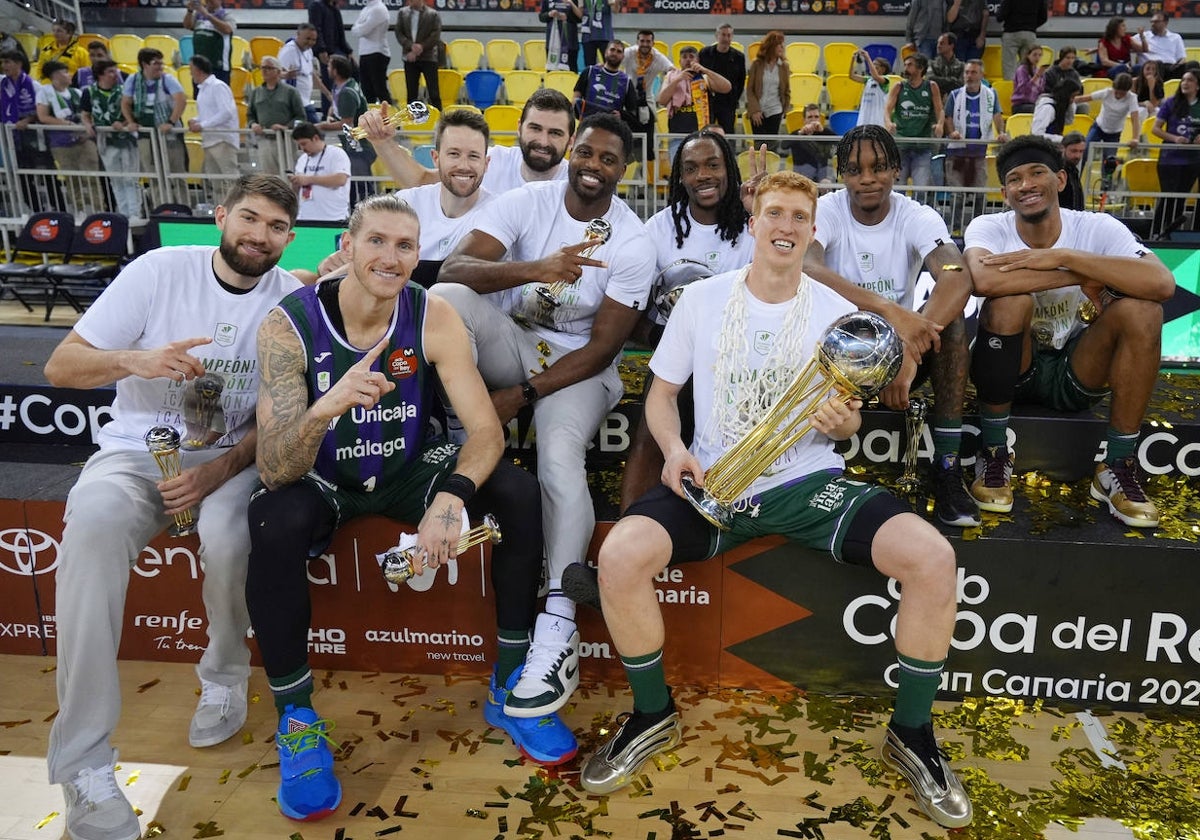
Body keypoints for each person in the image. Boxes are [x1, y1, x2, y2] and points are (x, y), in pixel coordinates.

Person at [578, 169, 972, 832]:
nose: (786, 226)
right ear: (754, 223)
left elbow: (850, 422)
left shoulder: (835, 315)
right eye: (775, 214)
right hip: (714, 486)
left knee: (932, 558)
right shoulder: (701, 300)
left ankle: (913, 736)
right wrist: (675, 452)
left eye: (799, 217)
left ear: (813, 231)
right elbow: (661, 397)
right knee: (620, 555)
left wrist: (842, 424)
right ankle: (652, 716)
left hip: (805, 485)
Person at [245, 192, 574, 822]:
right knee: (272, 517)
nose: (390, 258)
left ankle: (510, 685)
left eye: (405, 246)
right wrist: (326, 406)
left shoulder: (433, 314)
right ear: (345, 246)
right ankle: (297, 717)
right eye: (376, 241)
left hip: (406, 469)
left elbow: (485, 432)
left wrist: (451, 498)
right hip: (325, 476)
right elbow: (277, 467)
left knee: (515, 490)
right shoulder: (288, 325)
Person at [43, 174, 302, 840]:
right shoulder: (159, 270)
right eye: (249, 218)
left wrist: (217, 469)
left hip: (228, 465)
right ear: (221, 216)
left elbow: (277, 426)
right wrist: (138, 360)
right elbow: (61, 367)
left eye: (276, 227)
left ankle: (223, 675)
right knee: (91, 526)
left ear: (290, 237)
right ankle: (83, 763)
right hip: (134, 455)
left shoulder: (291, 299)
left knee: (231, 533)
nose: (259, 235)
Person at [437, 113, 656, 721]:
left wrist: (522, 396)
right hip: (513, 339)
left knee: (560, 460)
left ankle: (559, 621)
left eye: (608, 159)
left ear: (622, 170)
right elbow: (453, 270)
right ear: (572, 152)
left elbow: (603, 349)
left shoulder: (632, 241)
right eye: (585, 152)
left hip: (578, 370)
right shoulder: (525, 201)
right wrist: (536, 267)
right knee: (445, 302)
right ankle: (456, 431)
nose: (592, 165)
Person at [966, 135, 1173, 527]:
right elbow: (981, 280)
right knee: (1010, 303)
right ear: (1004, 192)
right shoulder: (989, 225)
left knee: (1143, 312)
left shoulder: (1096, 227)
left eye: (1037, 173)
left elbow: (1161, 284)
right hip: (1013, 370)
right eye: (1014, 179)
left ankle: (1117, 465)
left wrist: (1063, 255)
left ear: (1060, 180)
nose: (1025, 185)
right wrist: (1077, 273)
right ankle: (993, 451)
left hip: (1076, 370)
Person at [803, 125, 978, 527]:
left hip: (897, 358)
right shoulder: (826, 210)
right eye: (854, 170)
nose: (867, 178)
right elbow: (807, 266)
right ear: (842, 175)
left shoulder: (916, 215)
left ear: (896, 170)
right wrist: (889, 310)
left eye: (878, 167)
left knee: (951, 329)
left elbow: (956, 276)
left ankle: (947, 466)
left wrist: (907, 349)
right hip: (833, 360)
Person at [616, 129, 754, 513]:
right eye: (691, 168)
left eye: (713, 164)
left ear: (729, 168)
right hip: (675, 358)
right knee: (650, 432)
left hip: (739, 358)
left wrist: (761, 211)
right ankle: (629, 531)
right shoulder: (658, 230)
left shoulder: (752, 225)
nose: (703, 176)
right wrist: (665, 337)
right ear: (680, 178)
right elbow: (631, 309)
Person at [351, 108, 495, 285]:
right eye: (454, 154)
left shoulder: (497, 213)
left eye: (473, 156)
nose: (463, 165)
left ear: (486, 164)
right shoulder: (407, 204)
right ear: (435, 158)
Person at [361, 88, 574, 195]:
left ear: (571, 139)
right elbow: (420, 181)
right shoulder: (495, 160)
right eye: (535, 128)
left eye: (555, 133)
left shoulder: (577, 185)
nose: (542, 141)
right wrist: (382, 142)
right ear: (519, 127)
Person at [943, 59, 1008, 226]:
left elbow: (997, 115)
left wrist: (1001, 132)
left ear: (981, 74)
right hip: (956, 153)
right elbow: (948, 117)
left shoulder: (990, 94)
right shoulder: (955, 94)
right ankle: (955, 228)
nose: (969, 76)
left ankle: (979, 227)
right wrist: (952, 132)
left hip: (978, 153)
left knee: (980, 194)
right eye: (967, 72)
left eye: (973, 72)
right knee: (957, 195)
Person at [121, 47, 187, 207]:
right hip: (146, 137)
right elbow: (125, 102)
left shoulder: (168, 80)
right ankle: (161, 208)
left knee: (177, 174)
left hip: (169, 136)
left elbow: (181, 100)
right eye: (156, 63)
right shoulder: (132, 80)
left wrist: (170, 122)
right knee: (154, 175)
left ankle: (184, 208)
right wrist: (130, 121)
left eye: (161, 62)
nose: (160, 66)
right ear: (144, 64)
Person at [2, 48, 62, 213]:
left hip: (36, 138)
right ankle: (37, 211)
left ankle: (59, 209)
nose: (4, 65)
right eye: (3, 62)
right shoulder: (3, 84)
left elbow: (42, 110)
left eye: (8, 62)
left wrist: (27, 120)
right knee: (23, 177)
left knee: (48, 175)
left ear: (19, 64)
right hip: (13, 139)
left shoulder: (33, 85)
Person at [81, 58, 142, 219]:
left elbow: (134, 113)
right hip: (105, 141)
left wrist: (123, 123)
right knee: (116, 179)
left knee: (130, 178)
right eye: (111, 71)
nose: (116, 74)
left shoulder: (124, 91)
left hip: (126, 140)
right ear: (100, 75)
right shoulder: (89, 92)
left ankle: (135, 213)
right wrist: (87, 124)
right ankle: (123, 213)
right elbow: (85, 113)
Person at [1150, 69, 1200, 238]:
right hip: (1170, 159)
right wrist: (1175, 138)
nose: (1185, 83)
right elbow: (1155, 129)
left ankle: (1172, 234)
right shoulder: (1171, 102)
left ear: (1198, 85)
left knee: (1180, 200)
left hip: (1192, 160)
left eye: (1190, 80)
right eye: (1183, 80)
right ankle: (1155, 233)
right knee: (1167, 198)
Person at [658, 46, 731, 159]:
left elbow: (727, 87)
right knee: (679, 173)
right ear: (679, 61)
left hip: (704, 136)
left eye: (691, 57)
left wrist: (705, 70)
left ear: (697, 60)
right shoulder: (671, 77)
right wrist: (678, 80)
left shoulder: (705, 78)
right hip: (678, 136)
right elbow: (662, 100)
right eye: (684, 57)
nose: (688, 60)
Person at [320, 53, 375, 205]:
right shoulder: (343, 86)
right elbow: (336, 105)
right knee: (355, 187)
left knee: (361, 189)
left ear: (336, 71)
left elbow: (346, 123)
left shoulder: (347, 93)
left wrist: (322, 126)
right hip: (352, 147)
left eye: (330, 66)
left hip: (358, 148)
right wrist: (331, 114)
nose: (327, 69)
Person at [885, 53, 944, 192]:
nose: (906, 68)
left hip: (922, 144)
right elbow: (887, 109)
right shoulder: (899, 86)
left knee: (921, 188)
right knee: (898, 188)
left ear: (920, 68)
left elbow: (940, 110)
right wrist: (888, 122)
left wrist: (940, 124)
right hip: (901, 144)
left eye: (910, 65)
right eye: (905, 65)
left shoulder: (931, 86)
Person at [36, 59, 101, 181]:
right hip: (61, 142)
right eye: (66, 72)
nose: (70, 75)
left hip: (83, 140)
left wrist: (86, 133)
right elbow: (43, 117)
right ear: (55, 75)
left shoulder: (77, 92)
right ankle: (78, 201)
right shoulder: (44, 92)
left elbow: (88, 115)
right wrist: (67, 124)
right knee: (73, 180)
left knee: (93, 178)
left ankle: (97, 201)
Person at [247, 55, 308, 177]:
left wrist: (286, 127)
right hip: (264, 140)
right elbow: (250, 115)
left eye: (269, 68)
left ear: (279, 72)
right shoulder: (256, 93)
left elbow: (301, 117)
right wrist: (253, 124)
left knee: (288, 175)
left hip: (285, 140)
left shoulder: (291, 92)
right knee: (269, 178)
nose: (264, 71)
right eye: (262, 67)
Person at [621, 30, 673, 160]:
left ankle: (647, 158)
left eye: (648, 41)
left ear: (653, 43)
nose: (645, 44)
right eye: (642, 41)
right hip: (627, 95)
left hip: (647, 96)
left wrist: (665, 86)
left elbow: (672, 70)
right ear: (637, 42)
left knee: (650, 130)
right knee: (625, 128)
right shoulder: (629, 52)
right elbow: (613, 62)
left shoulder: (658, 57)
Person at [188, 55, 241, 177]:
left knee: (231, 179)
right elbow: (208, 114)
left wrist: (202, 125)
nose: (190, 73)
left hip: (222, 140)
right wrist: (195, 120)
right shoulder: (203, 90)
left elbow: (226, 113)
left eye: (191, 69)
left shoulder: (218, 86)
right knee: (216, 183)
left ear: (198, 70)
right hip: (210, 140)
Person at [290, 121, 351, 222]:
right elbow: (298, 189)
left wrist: (308, 180)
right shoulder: (303, 159)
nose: (302, 148)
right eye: (299, 145)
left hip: (333, 218)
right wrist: (296, 182)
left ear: (315, 138)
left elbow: (340, 180)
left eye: (304, 144)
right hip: (305, 217)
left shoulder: (336, 154)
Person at [574, 39, 638, 129]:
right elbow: (576, 98)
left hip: (611, 130)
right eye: (612, 50)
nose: (615, 53)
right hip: (587, 127)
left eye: (619, 51)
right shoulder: (590, 71)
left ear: (623, 57)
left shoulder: (626, 81)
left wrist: (621, 116)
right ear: (605, 53)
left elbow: (632, 112)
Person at [1074, 71, 1141, 154]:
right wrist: (1069, 99)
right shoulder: (1107, 92)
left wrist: (1135, 138)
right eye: (1116, 92)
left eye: (1122, 93)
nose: (1118, 95)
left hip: (1114, 133)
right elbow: (1084, 98)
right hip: (1098, 127)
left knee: (1109, 161)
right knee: (1085, 150)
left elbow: (1135, 118)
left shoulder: (1132, 98)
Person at [698, 24, 745, 136]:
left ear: (732, 37)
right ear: (716, 36)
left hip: (728, 103)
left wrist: (733, 99)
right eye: (723, 35)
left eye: (729, 35)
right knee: (705, 134)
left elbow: (741, 81)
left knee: (728, 134)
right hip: (707, 102)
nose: (726, 38)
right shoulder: (704, 53)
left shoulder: (739, 57)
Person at [746, 31, 790, 148]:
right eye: (779, 44)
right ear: (771, 46)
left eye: (782, 44)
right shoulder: (757, 64)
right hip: (758, 112)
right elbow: (750, 89)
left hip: (775, 110)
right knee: (759, 146)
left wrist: (784, 110)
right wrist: (755, 110)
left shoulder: (784, 66)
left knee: (771, 147)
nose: (782, 47)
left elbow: (787, 90)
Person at [397, 0, 442, 110]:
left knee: (433, 92)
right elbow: (399, 33)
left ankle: (439, 119)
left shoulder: (433, 14)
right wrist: (410, 46)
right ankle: (411, 120)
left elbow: (435, 35)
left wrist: (421, 47)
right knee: (411, 92)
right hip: (410, 58)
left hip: (429, 57)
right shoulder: (402, 13)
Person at [308, 0, 353, 110]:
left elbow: (340, 33)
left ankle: (344, 111)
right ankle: (329, 113)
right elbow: (316, 28)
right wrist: (321, 50)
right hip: (327, 52)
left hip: (338, 50)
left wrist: (348, 51)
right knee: (330, 82)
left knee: (353, 74)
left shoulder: (334, 9)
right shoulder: (317, 6)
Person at [279, 22, 326, 123]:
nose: (310, 42)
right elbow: (277, 74)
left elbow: (312, 75)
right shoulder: (289, 51)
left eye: (313, 40)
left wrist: (328, 94)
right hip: (295, 103)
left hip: (305, 101)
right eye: (307, 39)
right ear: (298, 35)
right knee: (317, 131)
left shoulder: (308, 51)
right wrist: (286, 75)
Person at [184, 0, 236, 86]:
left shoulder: (226, 15)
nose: (209, 1)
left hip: (218, 67)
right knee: (199, 97)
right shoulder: (198, 15)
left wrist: (207, 15)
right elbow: (187, 25)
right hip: (199, 67)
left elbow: (228, 29)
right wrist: (189, 11)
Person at [782, 103, 836, 183]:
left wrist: (823, 131)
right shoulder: (797, 133)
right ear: (804, 120)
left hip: (822, 174)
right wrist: (800, 133)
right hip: (802, 176)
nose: (813, 120)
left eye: (816, 117)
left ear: (819, 119)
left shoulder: (825, 132)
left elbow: (839, 143)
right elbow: (783, 145)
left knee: (827, 183)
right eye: (810, 117)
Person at [997, 0, 1048, 80]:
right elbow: (1044, 17)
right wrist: (1032, 25)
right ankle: (1026, 86)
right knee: (1027, 65)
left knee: (1009, 66)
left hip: (1011, 32)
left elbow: (1000, 17)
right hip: (1029, 33)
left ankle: (1011, 88)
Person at [352, 0, 392, 105]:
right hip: (364, 52)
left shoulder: (379, 9)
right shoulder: (366, 9)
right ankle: (370, 116)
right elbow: (354, 30)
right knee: (366, 90)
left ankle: (391, 116)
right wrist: (360, 27)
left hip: (377, 52)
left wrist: (360, 26)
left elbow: (362, 30)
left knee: (379, 89)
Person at [1031, 75, 1082, 143]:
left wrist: (1071, 105)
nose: (1073, 100)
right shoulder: (1047, 109)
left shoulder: (1059, 106)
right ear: (1065, 96)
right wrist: (1061, 139)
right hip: (1042, 145)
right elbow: (1036, 134)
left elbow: (1069, 121)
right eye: (1072, 97)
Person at [851, 50, 892, 128]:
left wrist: (867, 57)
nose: (872, 66)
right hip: (865, 116)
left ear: (883, 69)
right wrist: (853, 60)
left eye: (875, 65)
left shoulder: (885, 79)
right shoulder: (868, 80)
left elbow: (876, 76)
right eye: (872, 64)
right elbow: (851, 76)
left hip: (878, 118)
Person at [1141, 13, 1187, 80]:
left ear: (1165, 23)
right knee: (1159, 64)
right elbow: (1126, 41)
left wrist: (1178, 66)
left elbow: (1182, 58)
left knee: (1193, 64)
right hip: (1153, 67)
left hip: (1171, 67)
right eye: (1152, 21)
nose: (1153, 24)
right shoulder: (1143, 36)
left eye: (1156, 22)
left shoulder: (1176, 37)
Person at [540, 0, 581, 73]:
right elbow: (541, 17)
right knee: (552, 72)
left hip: (570, 42)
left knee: (571, 71)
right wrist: (549, 14)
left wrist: (566, 17)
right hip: (552, 43)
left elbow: (579, 18)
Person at [578, 0, 619, 68]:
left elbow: (615, 11)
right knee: (589, 67)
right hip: (588, 36)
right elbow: (580, 15)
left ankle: (608, 78)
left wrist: (617, 2)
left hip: (605, 35)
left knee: (610, 64)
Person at [1011, 44, 1046, 114]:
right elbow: (1023, 89)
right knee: (1037, 110)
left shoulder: (1039, 70)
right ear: (1028, 55)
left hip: (1034, 103)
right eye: (1034, 55)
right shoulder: (1022, 70)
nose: (1037, 58)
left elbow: (1041, 90)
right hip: (1020, 104)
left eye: (1040, 55)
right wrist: (1036, 77)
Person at [929, 33, 965, 100]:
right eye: (938, 43)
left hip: (956, 100)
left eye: (942, 43)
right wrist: (952, 80)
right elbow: (930, 80)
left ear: (951, 46)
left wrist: (941, 82)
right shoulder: (932, 64)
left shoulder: (961, 66)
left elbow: (961, 84)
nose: (938, 46)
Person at [1058, 130, 1085, 211]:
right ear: (1063, 148)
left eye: (1081, 151)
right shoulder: (1056, 171)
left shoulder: (1074, 170)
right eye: (1074, 151)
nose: (1078, 156)